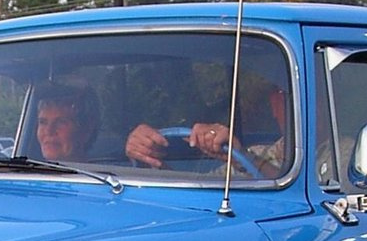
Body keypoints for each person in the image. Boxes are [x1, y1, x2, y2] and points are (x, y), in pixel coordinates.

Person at [124, 76, 290, 178]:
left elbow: (294, 196)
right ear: (274, 104)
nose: (287, 103)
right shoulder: (259, 153)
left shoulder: (316, 162)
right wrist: (147, 157)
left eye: (288, 95)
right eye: (281, 96)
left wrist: (247, 159)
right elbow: (197, 194)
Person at [32, 85, 98, 160]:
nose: (49, 131)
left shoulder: (103, 170)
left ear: (87, 130)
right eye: (43, 122)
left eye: (61, 122)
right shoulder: (26, 170)